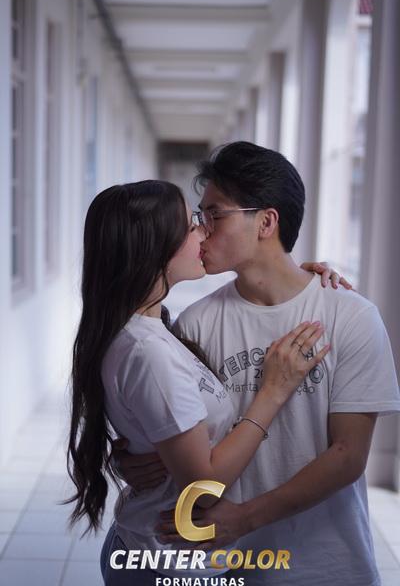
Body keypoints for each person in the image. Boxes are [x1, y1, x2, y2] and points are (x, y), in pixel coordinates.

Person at [115, 143, 400, 586]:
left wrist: (245, 517)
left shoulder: (350, 316)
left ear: (266, 222)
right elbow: (173, 427)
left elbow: (348, 456)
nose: (201, 230)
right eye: (199, 216)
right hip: (225, 566)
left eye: (215, 215)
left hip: (326, 565)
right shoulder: (195, 323)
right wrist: (133, 455)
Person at [65, 179, 333, 586]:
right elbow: (204, 489)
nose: (203, 232)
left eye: (210, 218)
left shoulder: (150, 329)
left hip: (162, 553)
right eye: (192, 224)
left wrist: (297, 279)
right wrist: (274, 391)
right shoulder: (148, 352)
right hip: (167, 562)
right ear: (154, 246)